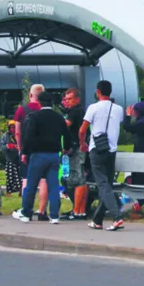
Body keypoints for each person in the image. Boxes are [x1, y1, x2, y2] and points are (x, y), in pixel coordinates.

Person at [13, 94, 67, 224]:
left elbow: (28, 136)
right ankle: (54, 215)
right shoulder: (59, 118)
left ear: (39, 103)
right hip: (54, 155)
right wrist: (67, 148)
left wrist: (25, 152)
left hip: (38, 154)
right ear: (52, 103)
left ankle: (26, 212)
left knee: (31, 184)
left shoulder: (34, 117)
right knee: (53, 186)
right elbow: (67, 134)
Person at [79, 80, 125, 231]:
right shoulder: (118, 109)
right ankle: (98, 220)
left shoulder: (93, 108)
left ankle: (117, 216)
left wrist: (82, 143)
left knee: (103, 185)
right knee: (107, 185)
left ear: (98, 92)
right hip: (111, 150)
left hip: (96, 149)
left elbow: (82, 129)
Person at [15, 84, 50, 220]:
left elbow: (17, 132)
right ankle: (42, 211)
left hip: (27, 149)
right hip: (43, 149)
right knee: (43, 180)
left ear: (30, 95)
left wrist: (20, 148)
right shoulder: (46, 110)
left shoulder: (21, 110)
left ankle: (26, 210)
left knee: (26, 180)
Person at [60, 88, 89, 221]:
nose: (67, 101)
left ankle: (77, 211)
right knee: (79, 179)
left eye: (70, 99)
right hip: (77, 147)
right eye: (66, 99)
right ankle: (81, 210)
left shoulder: (75, 111)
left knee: (78, 180)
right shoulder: (78, 111)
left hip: (77, 148)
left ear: (77, 99)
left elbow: (65, 126)